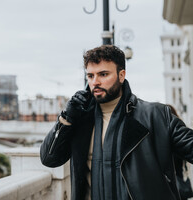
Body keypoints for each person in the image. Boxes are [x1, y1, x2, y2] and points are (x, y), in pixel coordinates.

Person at [40, 45, 193, 200]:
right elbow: (49, 159)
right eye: (90, 76)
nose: (95, 82)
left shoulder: (155, 115)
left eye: (103, 74)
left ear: (121, 75)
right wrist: (67, 117)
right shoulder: (80, 119)